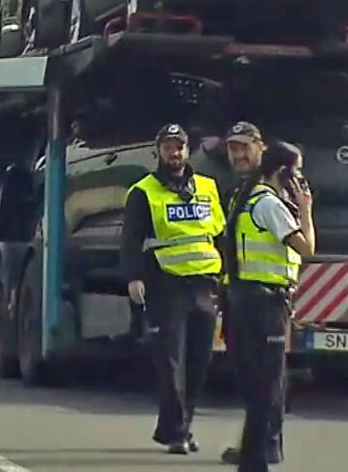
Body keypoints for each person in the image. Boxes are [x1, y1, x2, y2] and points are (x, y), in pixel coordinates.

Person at [120, 123, 226, 454]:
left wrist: (228, 278)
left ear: (188, 149)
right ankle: (178, 432)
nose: (174, 152)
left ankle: (180, 427)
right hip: (166, 286)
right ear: (158, 151)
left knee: (199, 362)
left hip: (205, 285)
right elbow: (130, 240)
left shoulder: (208, 187)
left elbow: (219, 234)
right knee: (170, 364)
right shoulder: (143, 191)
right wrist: (134, 277)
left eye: (179, 146)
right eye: (168, 146)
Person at [223, 141, 315, 472]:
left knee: (259, 384)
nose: (301, 178)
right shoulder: (270, 204)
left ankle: (251, 458)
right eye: (297, 171)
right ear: (283, 172)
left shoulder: (249, 197)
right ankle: (256, 461)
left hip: (247, 298)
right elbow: (306, 247)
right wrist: (305, 208)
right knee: (269, 387)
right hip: (265, 302)